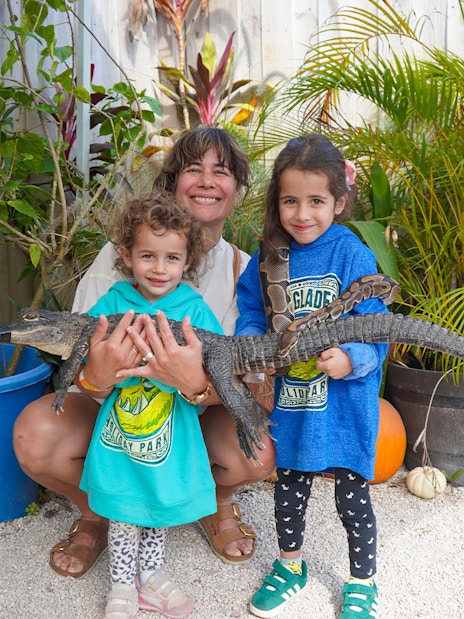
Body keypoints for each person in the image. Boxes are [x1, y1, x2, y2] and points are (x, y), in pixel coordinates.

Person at [13, 126, 276, 580]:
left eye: (222, 171)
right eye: (194, 169)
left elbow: (249, 380)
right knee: (34, 435)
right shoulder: (116, 269)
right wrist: (97, 377)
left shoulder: (245, 270)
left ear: (237, 189)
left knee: (254, 453)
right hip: (112, 408)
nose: (208, 181)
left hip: (189, 412)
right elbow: (76, 353)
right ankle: (100, 510)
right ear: (174, 180)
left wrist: (191, 383)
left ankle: (211, 502)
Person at [234, 134, 388, 619]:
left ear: (339, 202)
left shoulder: (350, 253)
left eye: (316, 201)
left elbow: (377, 325)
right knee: (289, 486)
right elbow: (252, 311)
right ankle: (290, 566)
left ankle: (363, 581)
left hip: (344, 405)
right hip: (294, 399)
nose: (303, 214)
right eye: (290, 201)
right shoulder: (267, 256)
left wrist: (353, 358)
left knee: (352, 495)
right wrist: (251, 347)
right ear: (276, 203)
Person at [80, 191, 221, 618]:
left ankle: (151, 575)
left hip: (173, 428)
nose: (160, 269)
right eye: (147, 255)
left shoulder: (194, 308)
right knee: (124, 507)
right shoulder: (113, 304)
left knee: (158, 503)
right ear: (126, 255)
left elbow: (217, 367)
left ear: (187, 260)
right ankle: (122, 584)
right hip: (121, 431)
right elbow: (90, 359)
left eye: (172, 258)